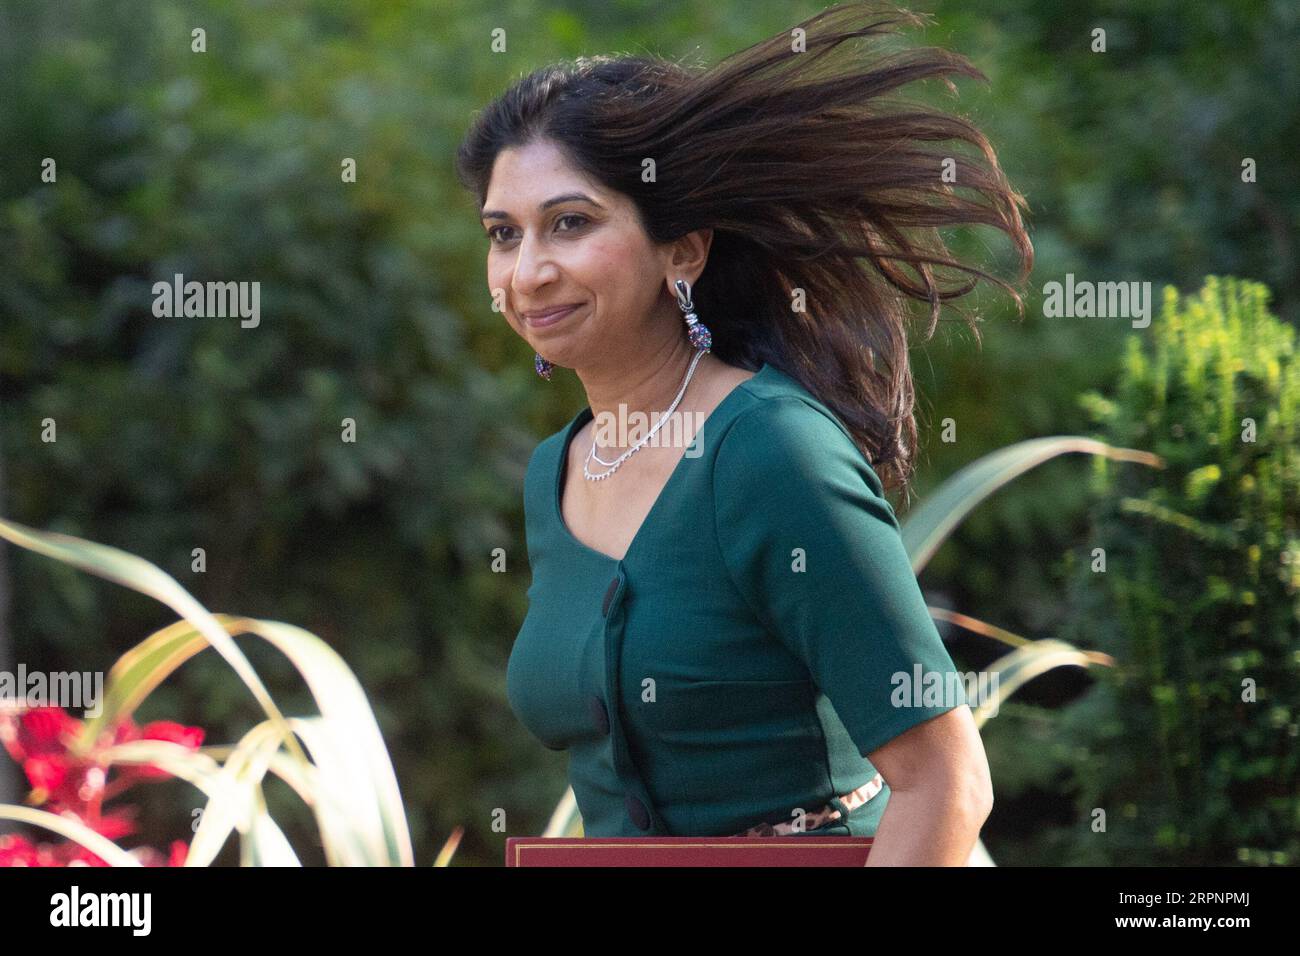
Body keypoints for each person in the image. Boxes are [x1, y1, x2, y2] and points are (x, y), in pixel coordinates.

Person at [456, 1, 1032, 865]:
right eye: (505, 235)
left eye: (570, 223)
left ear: (682, 250)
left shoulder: (770, 450)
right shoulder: (556, 471)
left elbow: (946, 781)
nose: (528, 271)